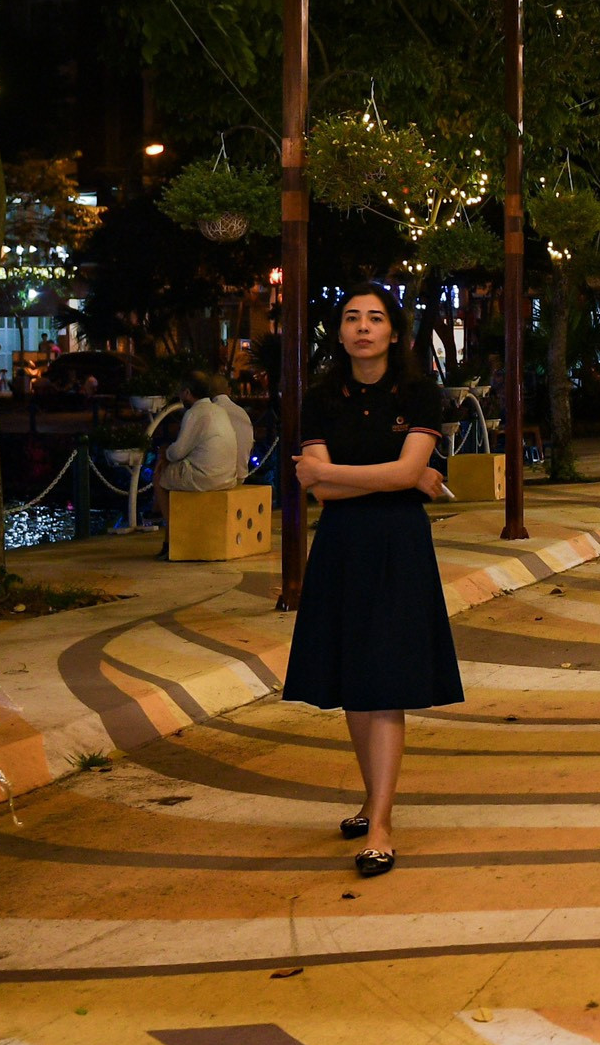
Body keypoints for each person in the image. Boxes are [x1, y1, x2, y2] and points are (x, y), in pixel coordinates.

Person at [280, 286, 459, 878]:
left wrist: (337, 472)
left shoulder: (417, 393)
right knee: (356, 676)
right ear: (339, 332)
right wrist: (403, 478)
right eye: (352, 318)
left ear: (393, 332)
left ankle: (380, 824)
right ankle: (371, 799)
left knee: (385, 678)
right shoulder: (323, 398)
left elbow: (390, 471)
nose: (363, 327)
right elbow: (327, 492)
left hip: (399, 545)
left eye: (375, 318)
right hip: (342, 546)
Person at [152, 371, 252, 535]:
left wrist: (164, 453)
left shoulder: (195, 413)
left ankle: (171, 534)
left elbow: (177, 452)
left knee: (159, 476)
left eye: (180, 392)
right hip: (228, 477)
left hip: (206, 478)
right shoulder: (218, 410)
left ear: (187, 393)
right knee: (174, 470)